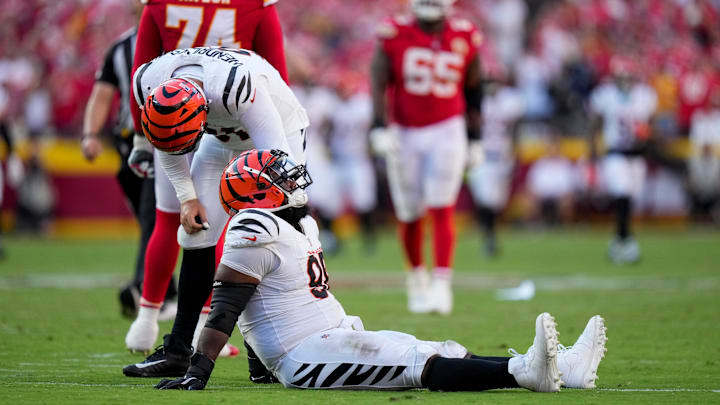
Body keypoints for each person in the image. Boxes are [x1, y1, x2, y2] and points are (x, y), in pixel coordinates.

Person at [153, 149, 608, 392]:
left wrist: (257, 369)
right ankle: (524, 373)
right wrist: (199, 369)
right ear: (258, 195)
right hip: (306, 353)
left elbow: (262, 299)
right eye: (279, 179)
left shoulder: (297, 224)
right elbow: (229, 305)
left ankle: (560, 368)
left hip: (332, 333)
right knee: (417, 364)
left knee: (439, 346)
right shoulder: (253, 225)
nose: (291, 181)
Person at [122, 46, 308, 379]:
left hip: (276, 133)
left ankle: (263, 354)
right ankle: (178, 348)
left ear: (203, 109)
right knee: (196, 233)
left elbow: (276, 158)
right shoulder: (148, 80)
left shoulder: (236, 85)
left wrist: (268, 202)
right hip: (220, 137)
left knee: (267, 231)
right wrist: (187, 197)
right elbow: (168, 143)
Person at [369, 0, 483, 315]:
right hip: (404, 130)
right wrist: (379, 125)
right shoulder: (394, 32)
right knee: (409, 211)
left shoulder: (465, 33)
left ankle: (442, 282)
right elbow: (378, 82)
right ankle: (417, 276)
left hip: (448, 126)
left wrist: (476, 137)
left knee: (442, 204)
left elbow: (475, 88)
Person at [79, 0, 172, 319]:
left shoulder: (183, 45)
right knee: (152, 218)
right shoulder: (120, 48)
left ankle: (145, 289)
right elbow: (103, 93)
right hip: (130, 144)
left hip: (173, 145)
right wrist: (90, 134)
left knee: (153, 214)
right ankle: (167, 288)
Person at [589, 57, 657, 264]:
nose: (626, 81)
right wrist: (593, 150)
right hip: (615, 153)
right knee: (622, 194)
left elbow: (649, 126)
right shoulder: (605, 95)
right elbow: (595, 123)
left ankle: (619, 241)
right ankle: (627, 242)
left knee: (630, 199)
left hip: (637, 155)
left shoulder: (645, 96)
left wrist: (646, 137)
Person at [466, 76, 524, 257]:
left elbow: (516, 129)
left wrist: (515, 150)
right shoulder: (477, 103)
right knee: (485, 199)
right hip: (482, 156)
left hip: (502, 156)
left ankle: (489, 235)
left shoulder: (509, 101)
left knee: (496, 202)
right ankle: (489, 238)